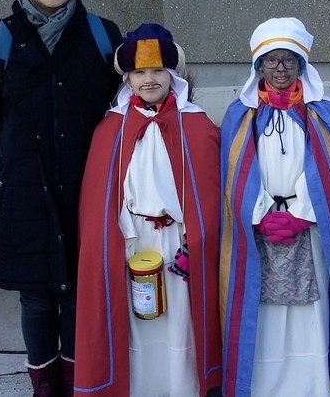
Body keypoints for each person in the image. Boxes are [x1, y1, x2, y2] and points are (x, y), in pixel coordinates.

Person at [0, 0, 122, 396]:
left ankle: (77, 383)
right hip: (23, 190)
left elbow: (125, 108)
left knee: (78, 292)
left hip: (86, 188)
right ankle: (45, 386)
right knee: (36, 297)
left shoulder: (102, 35)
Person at [219, 17, 330, 397]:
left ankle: (312, 384)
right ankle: (265, 386)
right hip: (260, 229)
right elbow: (234, 173)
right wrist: (261, 214)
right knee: (263, 312)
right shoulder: (241, 115)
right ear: (259, 66)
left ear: (302, 64)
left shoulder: (323, 112)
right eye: (272, 60)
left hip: (309, 229)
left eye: (289, 60)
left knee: (310, 310)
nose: (281, 69)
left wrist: (301, 213)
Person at [73, 24, 223, 396]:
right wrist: (120, 243)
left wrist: (195, 242)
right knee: (139, 323)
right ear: (128, 78)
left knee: (181, 322)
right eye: (139, 72)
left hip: (179, 243)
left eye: (158, 70)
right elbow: (101, 201)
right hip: (132, 240)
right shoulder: (111, 128)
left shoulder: (197, 124)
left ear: (172, 75)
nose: (149, 79)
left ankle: (183, 388)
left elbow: (210, 196)